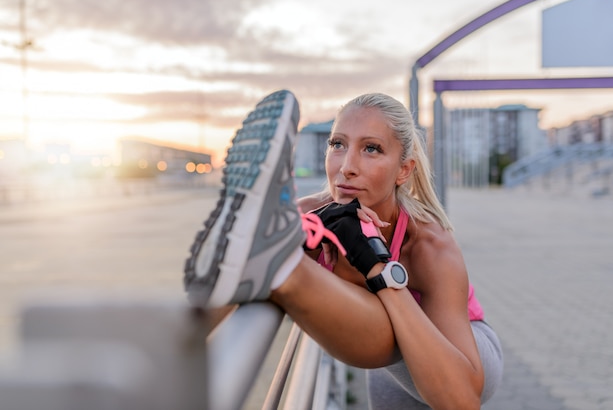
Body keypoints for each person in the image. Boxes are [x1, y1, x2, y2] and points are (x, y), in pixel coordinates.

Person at [184, 89, 503, 409]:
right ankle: (277, 274)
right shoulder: (308, 216)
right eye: (337, 144)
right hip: (383, 358)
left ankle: (288, 272)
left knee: (388, 320)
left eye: (372, 149)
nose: (347, 166)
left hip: (461, 352)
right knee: (266, 256)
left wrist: (376, 264)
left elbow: (463, 399)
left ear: (404, 170)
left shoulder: (429, 244)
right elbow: (231, 284)